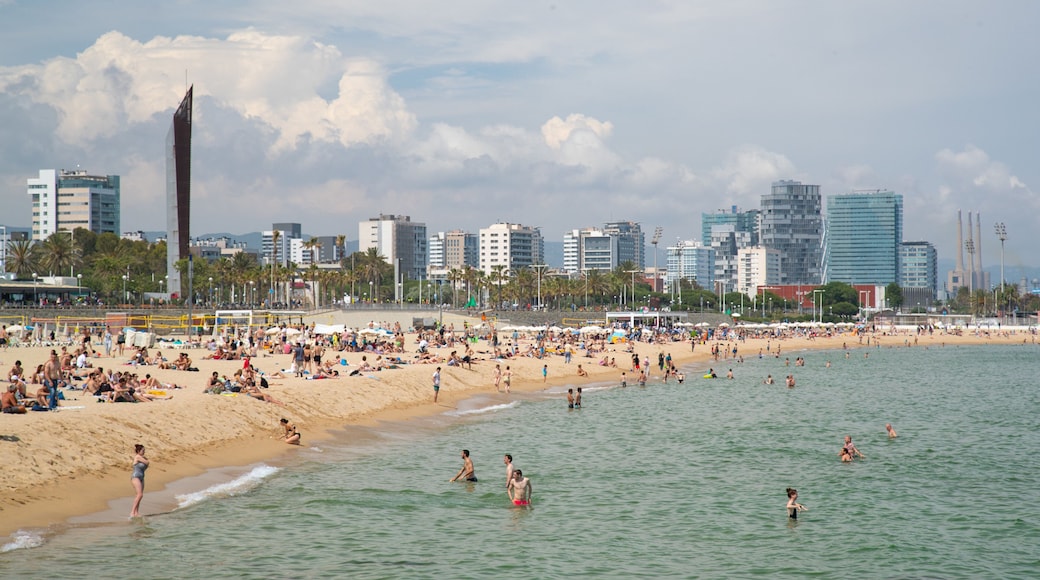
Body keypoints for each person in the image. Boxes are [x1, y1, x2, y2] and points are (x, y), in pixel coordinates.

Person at [130, 444, 149, 518]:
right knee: (140, 495)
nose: (144, 452)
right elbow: (147, 463)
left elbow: (147, 463)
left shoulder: (142, 457)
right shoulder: (137, 457)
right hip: (136, 477)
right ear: (138, 451)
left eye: (144, 450)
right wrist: (146, 460)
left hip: (142, 477)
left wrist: (146, 460)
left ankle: (136, 512)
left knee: (139, 496)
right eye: (143, 450)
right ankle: (132, 512)